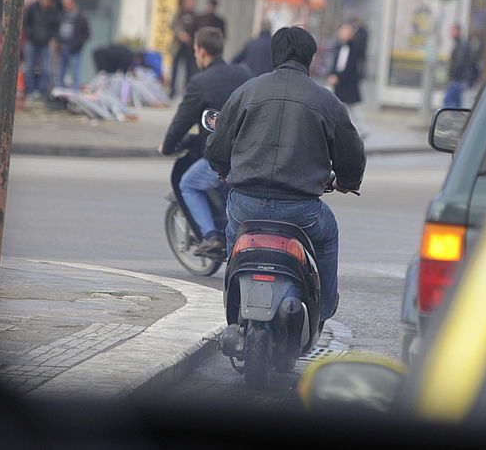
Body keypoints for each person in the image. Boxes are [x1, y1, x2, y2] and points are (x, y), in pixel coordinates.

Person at [205, 26, 366, 325]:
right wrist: (345, 182)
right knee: (327, 235)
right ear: (312, 59)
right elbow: (352, 155)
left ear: (274, 54)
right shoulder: (326, 101)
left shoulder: (246, 91)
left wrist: (225, 172)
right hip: (301, 211)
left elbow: (216, 146)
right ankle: (325, 308)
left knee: (232, 232)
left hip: (246, 206)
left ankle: (235, 299)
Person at [158, 27, 253, 256]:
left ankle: (212, 237)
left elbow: (181, 122)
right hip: (250, 153)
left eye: (194, 51)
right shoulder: (245, 74)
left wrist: (167, 146)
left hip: (222, 157)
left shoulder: (200, 82)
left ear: (200, 51)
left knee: (188, 184)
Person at [327, 23, 369, 140]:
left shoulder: (354, 47)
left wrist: (338, 76)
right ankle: (354, 129)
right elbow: (336, 63)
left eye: (343, 32)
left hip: (348, 83)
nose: (340, 34)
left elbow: (349, 66)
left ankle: (362, 129)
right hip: (339, 82)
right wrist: (332, 74)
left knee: (352, 107)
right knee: (339, 106)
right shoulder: (339, 46)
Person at [23, 0, 59, 99]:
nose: (48, 3)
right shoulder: (32, 8)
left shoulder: (52, 11)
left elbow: (55, 26)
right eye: (47, 1)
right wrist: (30, 34)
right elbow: (26, 22)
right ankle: (29, 91)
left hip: (44, 43)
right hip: (31, 42)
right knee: (29, 66)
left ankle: (42, 91)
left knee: (46, 68)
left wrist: (51, 37)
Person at [56, 0, 90, 91]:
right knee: (61, 70)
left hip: (75, 49)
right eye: (64, 5)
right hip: (62, 47)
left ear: (72, 3)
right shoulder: (62, 15)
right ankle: (60, 89)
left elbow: (86, 34)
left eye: (66, 4)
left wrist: (77, 44)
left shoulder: (81, 17)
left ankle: (75, 90)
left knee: (75, 71)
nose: (65, 7)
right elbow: (56, 29)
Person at [169, 0, 198, 99]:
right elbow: (172, 25)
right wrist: (180, 33)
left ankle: (186, 91)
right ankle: (172, 90)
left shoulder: (195, 15)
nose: (190, 4)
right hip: (178, 45)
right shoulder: (179, 13)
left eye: (192, 2)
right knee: (175, 68)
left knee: (189, 69)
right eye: (188, 2)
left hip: (189, 46)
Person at [443, 24, 473, 108]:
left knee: (448, 101)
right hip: (460, 79)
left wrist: (452, 75)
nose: (451, 33)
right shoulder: (459, 43)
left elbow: (459, 63)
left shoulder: (461, 44)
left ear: (458, 31)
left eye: (453, 31)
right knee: (457, 104)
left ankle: (453, 119)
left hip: (458, 80)